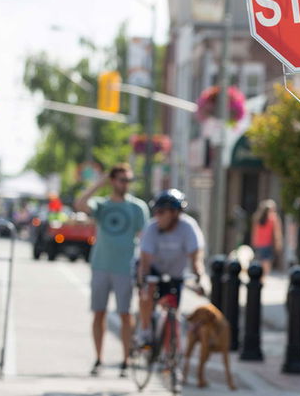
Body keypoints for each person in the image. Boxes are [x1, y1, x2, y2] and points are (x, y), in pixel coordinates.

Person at [74, 163, 149, 378]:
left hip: (124, 268)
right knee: (99, 313)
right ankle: (99, 359)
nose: (126, 184)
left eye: (128, 180)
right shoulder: (102, 205)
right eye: (122, 180)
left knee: (125, 314)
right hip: (101, 265)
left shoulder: (137, 207)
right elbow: (80, 203)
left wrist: (143, 266)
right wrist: (101, 183)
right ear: (113, 181)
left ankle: (126, 360)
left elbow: (145, 239)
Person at [136, 189, 204, 386]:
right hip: (154, 269)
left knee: (174, 313)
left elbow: (196, 254)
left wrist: (200, 275)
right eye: (156, 212)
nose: (157, 216)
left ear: (174, 212)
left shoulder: (188, 227)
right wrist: (143, 280)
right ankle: (146, 330)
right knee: (147, 291)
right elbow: (145, 261)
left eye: (161, 212)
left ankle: (172, 361)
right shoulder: (152, 229)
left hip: (176, 274)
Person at [251, 199, 282, 276]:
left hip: (258, 243)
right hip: (268, 243)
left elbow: (254, 232)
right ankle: (264, 278)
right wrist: (279, 243)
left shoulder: (257, 217)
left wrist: (254, 242)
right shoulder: (273, 218)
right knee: (266, 262)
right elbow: (277, 232)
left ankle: (259, 277)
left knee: (259, 262)